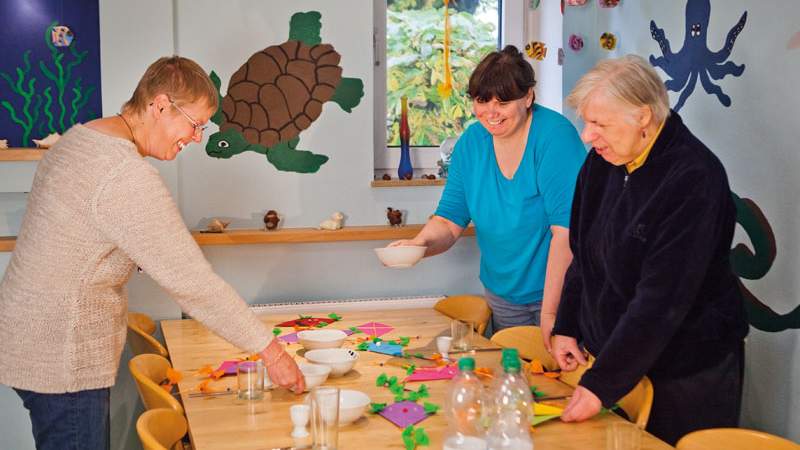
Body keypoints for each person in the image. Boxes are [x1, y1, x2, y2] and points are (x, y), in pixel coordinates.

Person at [0, 56, 305, 450]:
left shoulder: (81, 138)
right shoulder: (124, 173)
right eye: (194, 124)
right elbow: (194, 282)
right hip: (63, 353)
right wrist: (272, 352)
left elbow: (77, 233)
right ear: (160, 105)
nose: (197, 137)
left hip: (28, 336)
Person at [551, 55, 748, 445]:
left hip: (688, 370)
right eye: (587, 122)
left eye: (598, 123)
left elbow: (661, 300)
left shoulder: (694, 177)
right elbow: (583, 256)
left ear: (642, 117)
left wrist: (601, 383)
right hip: (620, 362)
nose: (587, 136)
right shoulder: (602, 163)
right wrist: (567, 326)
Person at [390, 46, 586, 342]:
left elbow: (566, 234)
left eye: (503, 101)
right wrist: (418, 245)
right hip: (503, 293)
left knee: (563, 381)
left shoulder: (555, 137)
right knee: (517, 380)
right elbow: (448, 221)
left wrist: (551, 313)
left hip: (561, 293)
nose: (491, 112)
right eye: (482, 101)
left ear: (528, 97)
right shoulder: (471, 143)